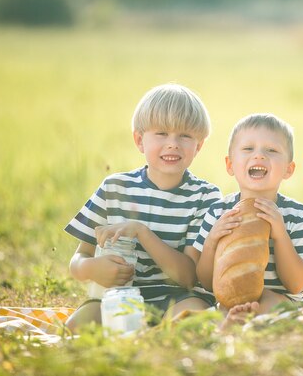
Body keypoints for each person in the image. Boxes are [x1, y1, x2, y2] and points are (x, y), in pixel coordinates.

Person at [64, 83, 221, 333]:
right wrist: (91, 268)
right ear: (139, 140)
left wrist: (142, 233)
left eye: (185, 136)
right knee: (75, 328)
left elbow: (189, 277)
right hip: (116, 297)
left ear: (198, 146)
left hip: (179, 298)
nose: (173, 144)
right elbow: (78, 259)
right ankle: (144, 338)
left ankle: (151, 341)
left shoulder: (205, 196)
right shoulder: (114, 188)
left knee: (196, 320)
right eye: (161, 133)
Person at [187, 113, 303, 327]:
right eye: (248, 149)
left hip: (280, 300)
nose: (259, 156)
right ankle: (235, 326)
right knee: (209, 314)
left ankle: (246, 325)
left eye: (272, 150)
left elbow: (296, 284)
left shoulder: (297, 214)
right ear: (230, 165)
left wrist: (280, 234)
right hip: (230, 302)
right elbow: (206, 282)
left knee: (271, 304)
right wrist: (212, 241)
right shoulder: (218, 212)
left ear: (288, 169)